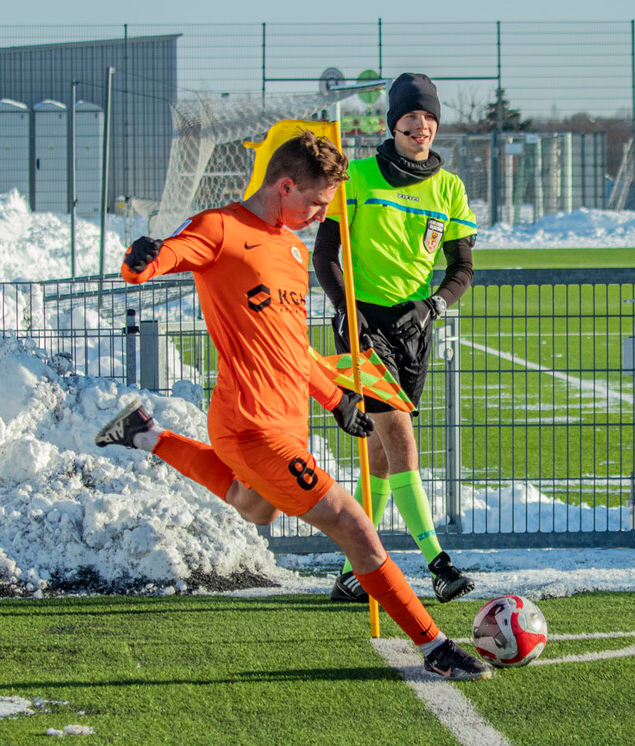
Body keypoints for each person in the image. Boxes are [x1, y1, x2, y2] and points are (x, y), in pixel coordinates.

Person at [95, 130, 491, 681]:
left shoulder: (289, 248)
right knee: (354, 525)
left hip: (288, 419)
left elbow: (291, 344)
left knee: (254, 506)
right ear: (285, 186)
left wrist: (334, 398)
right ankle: (435, 646)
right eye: (316, 203)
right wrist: (142, 259)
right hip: (250, 425)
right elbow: (165, 256)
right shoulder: (222, 227)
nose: (318, 215)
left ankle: (146, 434)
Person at [313, 73, 478, 604]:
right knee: (402, 440)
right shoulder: (357, 177)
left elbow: (462, 269)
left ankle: (349, 572)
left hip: (414, 327)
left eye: (429, 119)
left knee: (382, 458)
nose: (421, 127)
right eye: (411, 118)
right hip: (363, 327)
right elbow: (324, 255)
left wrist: (433, 306)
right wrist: (347, 310)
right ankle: (438, 562)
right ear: (394, 123)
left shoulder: (449, 189)